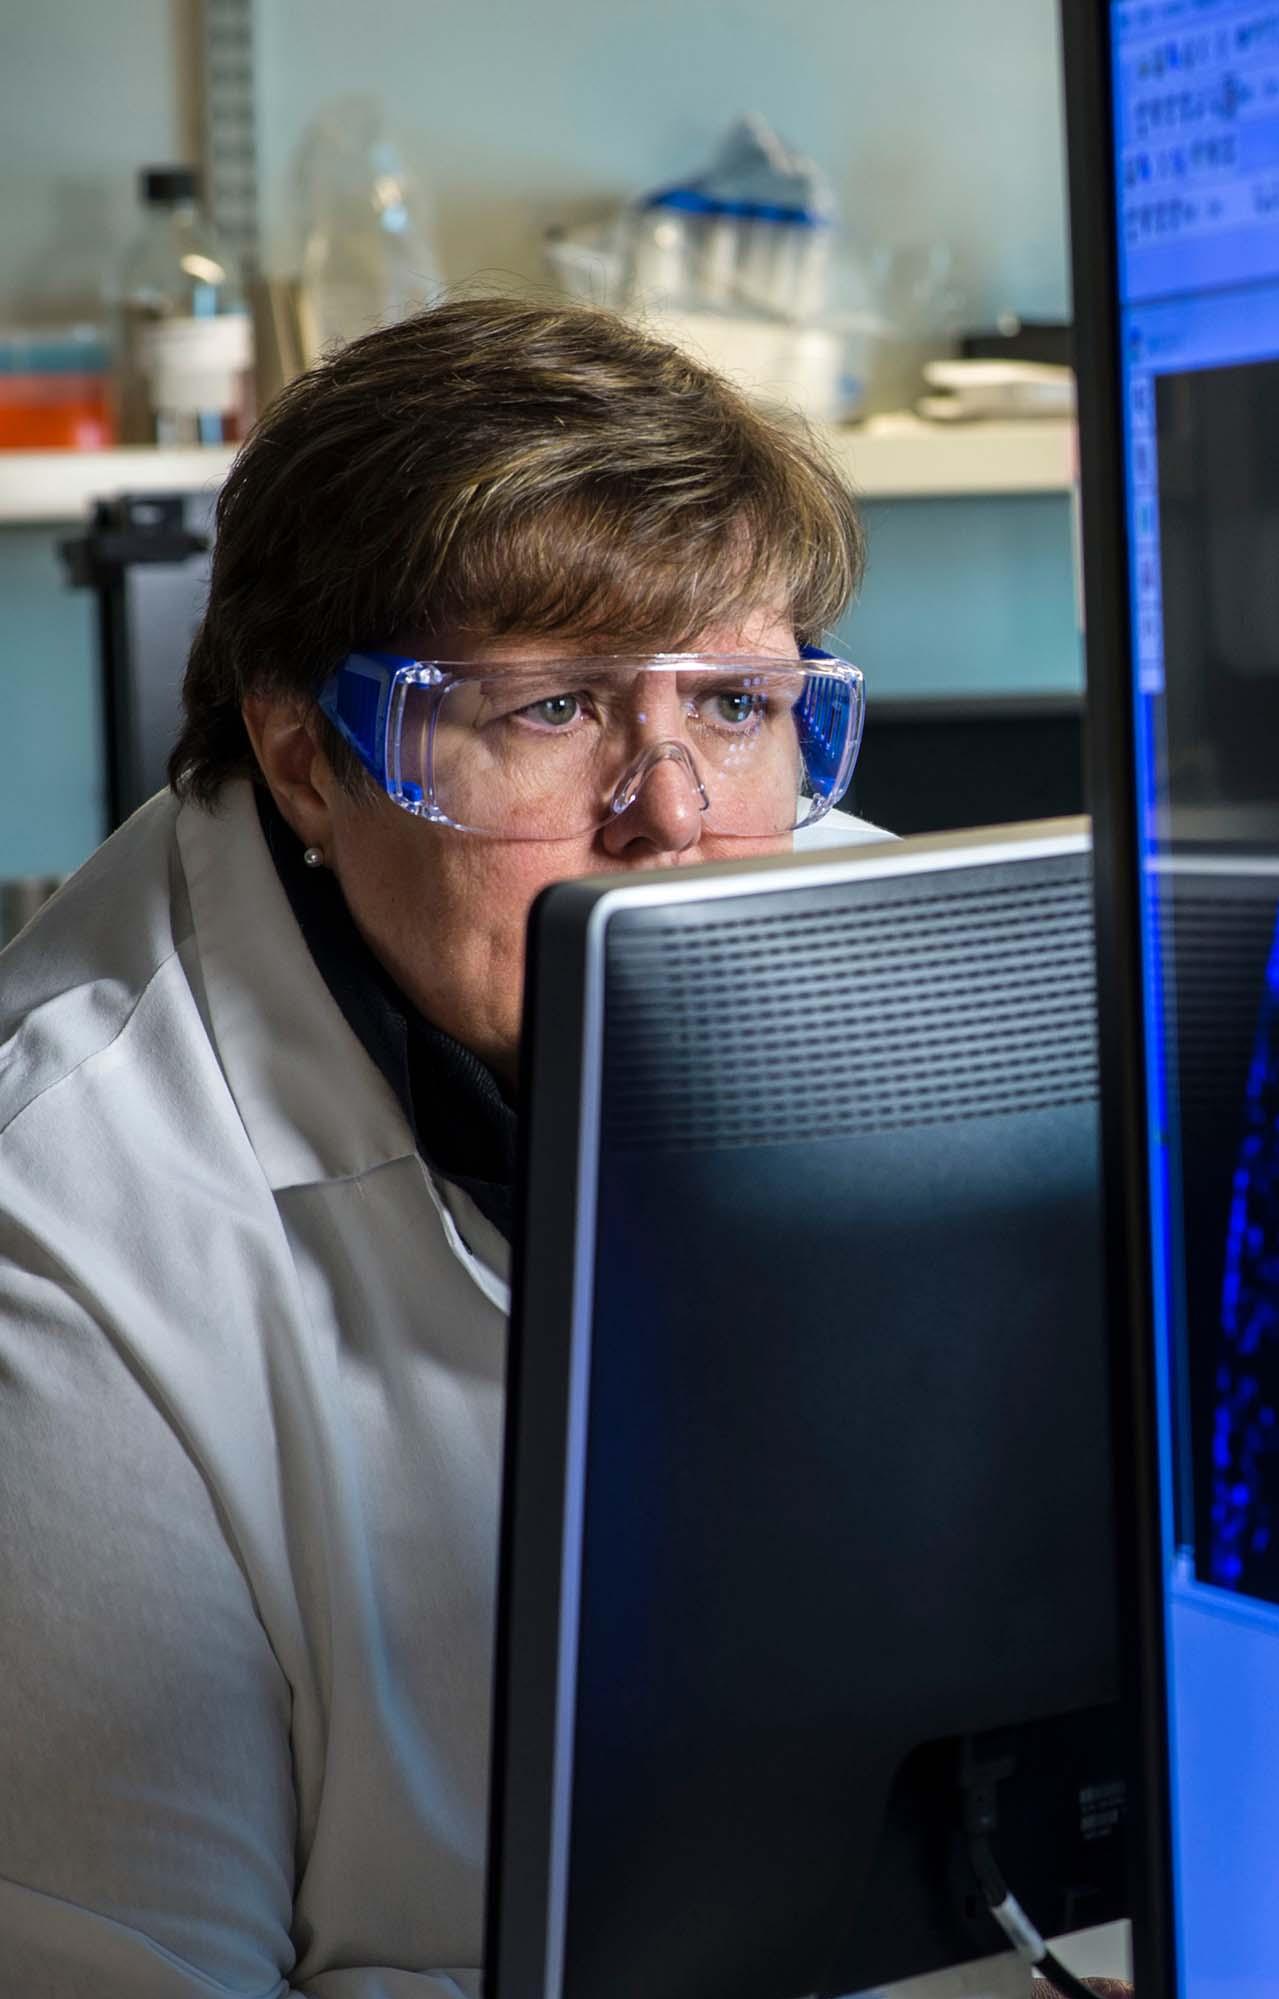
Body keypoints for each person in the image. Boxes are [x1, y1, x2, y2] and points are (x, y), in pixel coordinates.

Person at [0, 297, 889, 1996]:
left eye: (736, 705)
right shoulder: (60, 1224)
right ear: (303, 758)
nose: (679, 818)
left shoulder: (919, 966)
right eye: (554, 709)